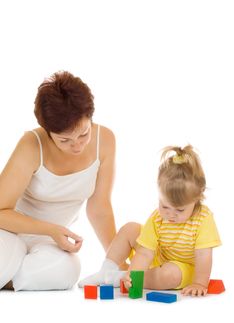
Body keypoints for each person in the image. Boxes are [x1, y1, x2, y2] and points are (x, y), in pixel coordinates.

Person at [0, 71, 117, 291]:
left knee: (67, 270)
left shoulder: (106, 141)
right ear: (48, 132)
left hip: (50, 240)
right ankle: (11, 269)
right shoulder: (32, 144)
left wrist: (117, 261)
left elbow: (100, 208)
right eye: (64, 140)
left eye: (83, 134)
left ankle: (8, 275)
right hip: (8, 230)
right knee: (9, 251)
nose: (77, 145)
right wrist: (50, 229)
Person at [78, 145, 221, 297]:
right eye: (165, 206)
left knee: (169, 274)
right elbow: (145, 253)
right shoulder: (157, 218)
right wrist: (134, 273)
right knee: (130, 228)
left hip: (182, 268)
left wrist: (200, 282)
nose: (171, 215)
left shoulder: (203, 219)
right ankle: (106, 271)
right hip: (156, 257)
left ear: (197, 198)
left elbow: (203, 255)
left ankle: (119, 278)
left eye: (180, 210)